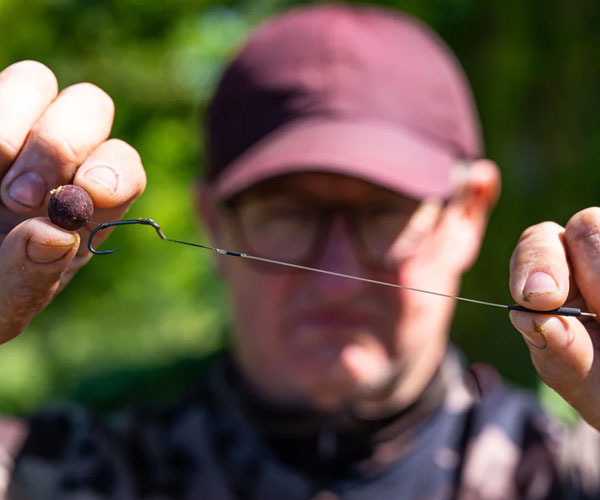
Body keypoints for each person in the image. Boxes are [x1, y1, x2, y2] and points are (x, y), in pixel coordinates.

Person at [0, 3, 599, 499]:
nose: (335, 278)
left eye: (385, 212)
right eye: (287, 214)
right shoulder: (43, 475)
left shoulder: (575, 475)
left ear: (469, 215)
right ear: (215, 223)